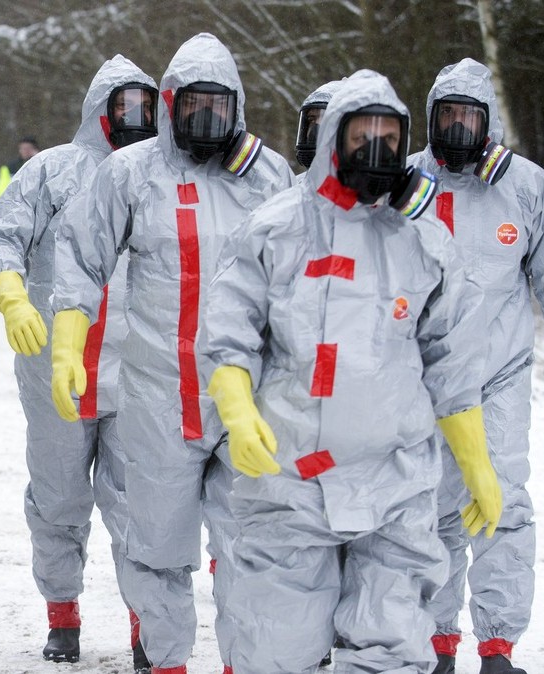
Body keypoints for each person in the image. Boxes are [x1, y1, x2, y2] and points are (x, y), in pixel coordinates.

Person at [200, 68, 501, 673]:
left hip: (396, 479)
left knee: (393, 645)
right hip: (291, 479)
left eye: (390, 137)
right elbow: (229, 333)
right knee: (277, 648)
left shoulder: (424, 241)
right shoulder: (275, 228)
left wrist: (477, 466)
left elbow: (451, 363)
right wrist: (236, 407)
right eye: (361, 134)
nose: (376, 150)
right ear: (334, 137)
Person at [50, 33, 293, 674]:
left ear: (237, 107)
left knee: (249, 547)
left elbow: (301, 278)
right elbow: (79, 256)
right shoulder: (130, 174)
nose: (205, 121)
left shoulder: (267, 175)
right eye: (192, 107)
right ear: (168, 105)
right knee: (155, 547)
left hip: (249, 398)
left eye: (218, 107)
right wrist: (67, 343)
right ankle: (166, 662)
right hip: (158, 398)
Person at [0, 54, 158, 668]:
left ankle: (146, 624)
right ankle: (63, 615)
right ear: (98, 110)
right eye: (124, 106)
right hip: (56, 370)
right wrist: (12, 297)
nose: (135, 119)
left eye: (146, 106)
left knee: (140, 505)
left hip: (137, 372)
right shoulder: (50, 172)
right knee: (57, 500)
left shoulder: (164, 177)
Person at [409, 58, 542, 674]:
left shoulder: (527, 187)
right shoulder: (404, 181)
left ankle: (497, 646)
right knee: (430, 509)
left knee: (501, 506)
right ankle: (436, 643)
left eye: (470, 117)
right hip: (423, 378)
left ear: (487, 122)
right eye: (448, 116)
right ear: (431, 118)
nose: (459, 128)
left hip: (501, 374)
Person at [294, 79, 346, 171]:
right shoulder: (295, 183)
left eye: (326, 118)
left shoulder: (365, 184)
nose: (316, 125)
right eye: (312, 119)